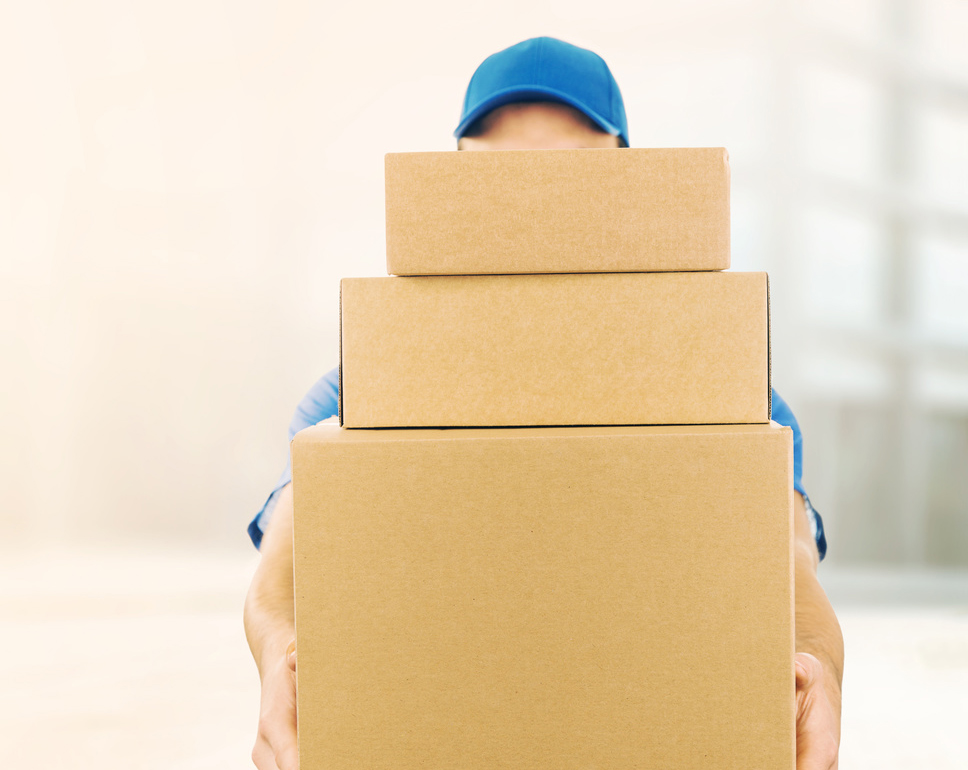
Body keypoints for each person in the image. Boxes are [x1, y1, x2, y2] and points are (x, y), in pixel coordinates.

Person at [244, 37, 844, 770]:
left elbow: (783, 552)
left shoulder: (730, 386)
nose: (536, 209)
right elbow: (291, 541)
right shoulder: (355, 387)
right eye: (504, 180)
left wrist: (819, 666)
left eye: (568, 177)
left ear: (628, 183)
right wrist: (279, 649)